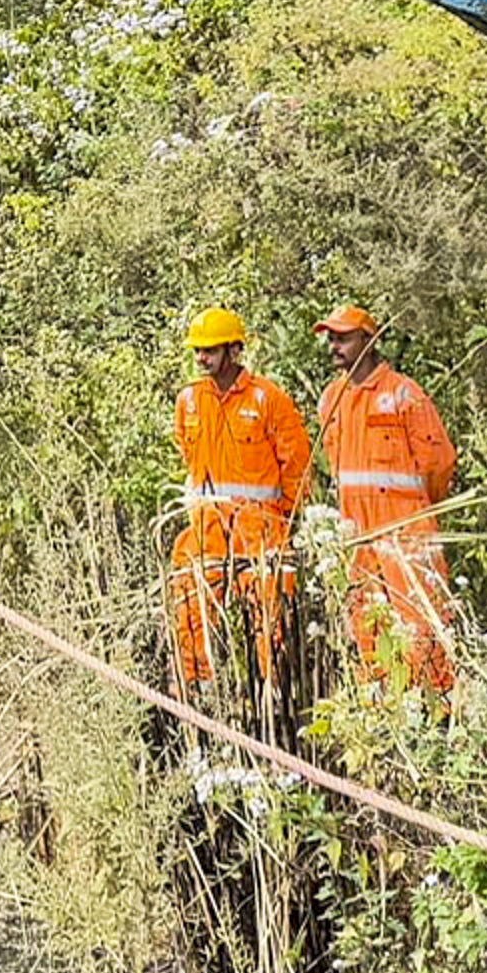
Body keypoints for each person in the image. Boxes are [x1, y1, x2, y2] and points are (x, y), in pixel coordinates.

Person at [165, 305, 313, 722]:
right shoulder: (189, 401)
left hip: (261, 529)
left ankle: (273, 698)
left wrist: (280, 519)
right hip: (207, 528)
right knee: (189, 601)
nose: (201, 358)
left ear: (234, 350)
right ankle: (197, 695)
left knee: (269, 614)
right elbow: (187, 455)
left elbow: (297, 468)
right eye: (198, 351)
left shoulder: (268, 399)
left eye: (210, 350)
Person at [305, 302, 455, 698]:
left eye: (343, 338)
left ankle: (438, 715)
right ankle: (384, 714)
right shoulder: (330, 400)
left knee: (422, 623)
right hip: (356, 533)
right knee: (368, 625)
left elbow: (438, 463)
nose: (334, 346)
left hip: (406, 531)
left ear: (369, 340)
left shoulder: (404, 394)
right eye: (331, 339)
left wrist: (416, 516)